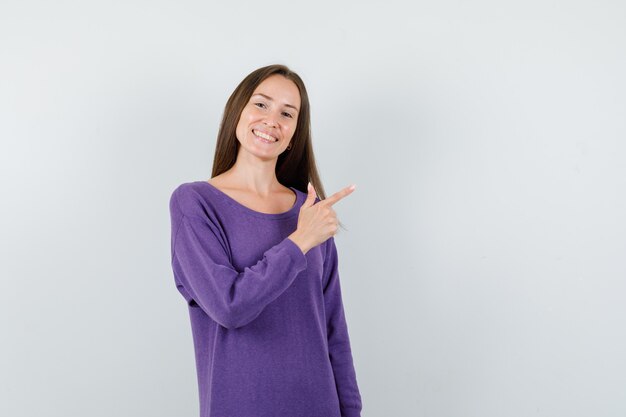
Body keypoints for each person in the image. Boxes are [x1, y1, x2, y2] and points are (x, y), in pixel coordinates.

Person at [169, 64, 362, 417]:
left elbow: (334, 328)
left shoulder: (311, 210)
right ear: (237, 111)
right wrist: (300, 240)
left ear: (294, 134)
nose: (272, 120)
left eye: (287, 113)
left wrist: (352, 411)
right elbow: (229, 306)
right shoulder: (195, 203)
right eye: (261, 105)